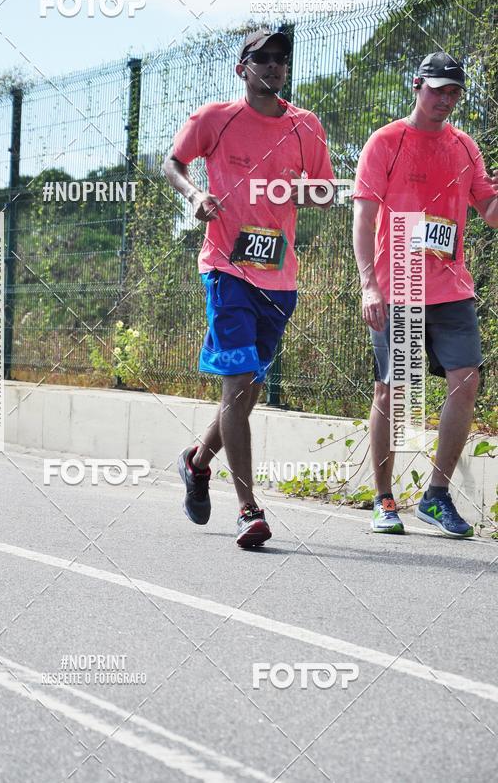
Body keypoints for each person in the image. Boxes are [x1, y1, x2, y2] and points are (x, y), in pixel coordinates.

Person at [162, 28, 334, 547]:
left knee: (249, 389)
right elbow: (172, 162)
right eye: (264, 58)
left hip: (279, 278)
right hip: (225, 270)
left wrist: (297, 188)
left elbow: (325, 191)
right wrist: (193, 195)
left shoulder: (307, 126)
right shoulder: (214, 118)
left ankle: (196, 462)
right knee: (237, 385)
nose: (276, 66)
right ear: (243, 68)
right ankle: (248, 509)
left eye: (282, 59)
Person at [353, 51, 498, 537]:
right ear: (417, 85)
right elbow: (364, 218)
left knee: (465, 382)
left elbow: (489, 210)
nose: (445, 99)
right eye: (437, 89)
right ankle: (384, 498)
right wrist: (369, 284)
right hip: (398, 287)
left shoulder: (465, 146)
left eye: (454, 91)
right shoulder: (386, 142)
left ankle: (436, 495)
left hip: (452, 288)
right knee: (393, 393)